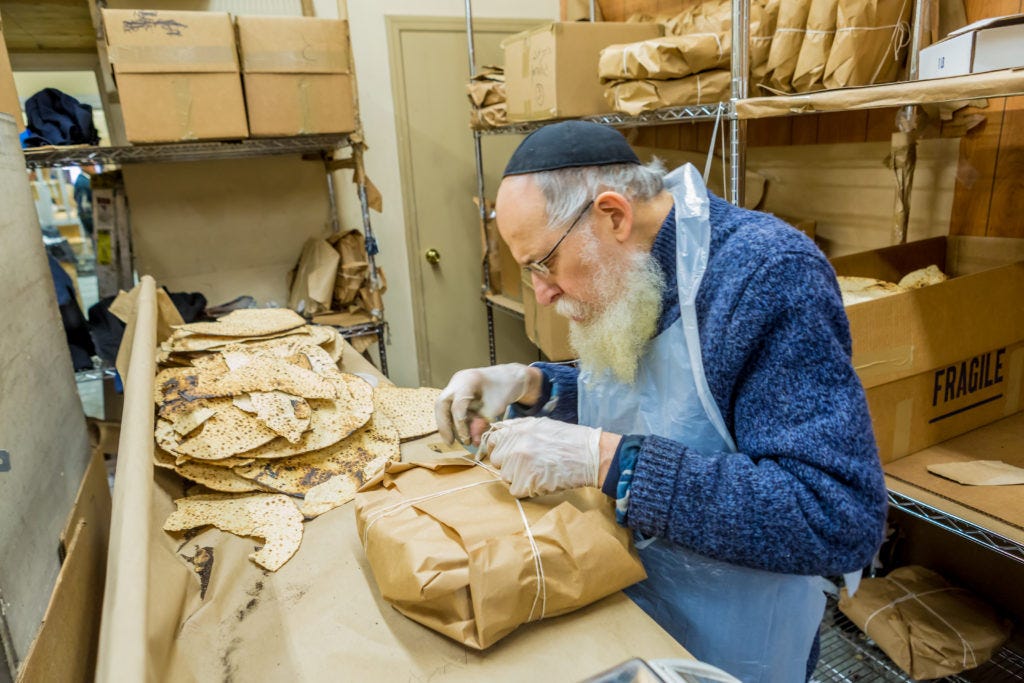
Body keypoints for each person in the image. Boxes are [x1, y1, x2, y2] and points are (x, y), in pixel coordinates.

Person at [434, 121, 887, 682]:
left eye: (543, 263)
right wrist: (536, 386)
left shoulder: (765, 275)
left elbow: (836, 517)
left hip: (735, 641)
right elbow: (657, 403)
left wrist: (606, 460)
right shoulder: (632, 268)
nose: (543, 293)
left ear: (613, 215)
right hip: (627, 603)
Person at [74, 164, 95, 239]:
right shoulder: (83, 183)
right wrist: (92, 228)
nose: (93, 166)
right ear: (82, 166)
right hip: (92, 222)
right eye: (90, 164)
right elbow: (84, 208)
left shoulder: (86, 180)